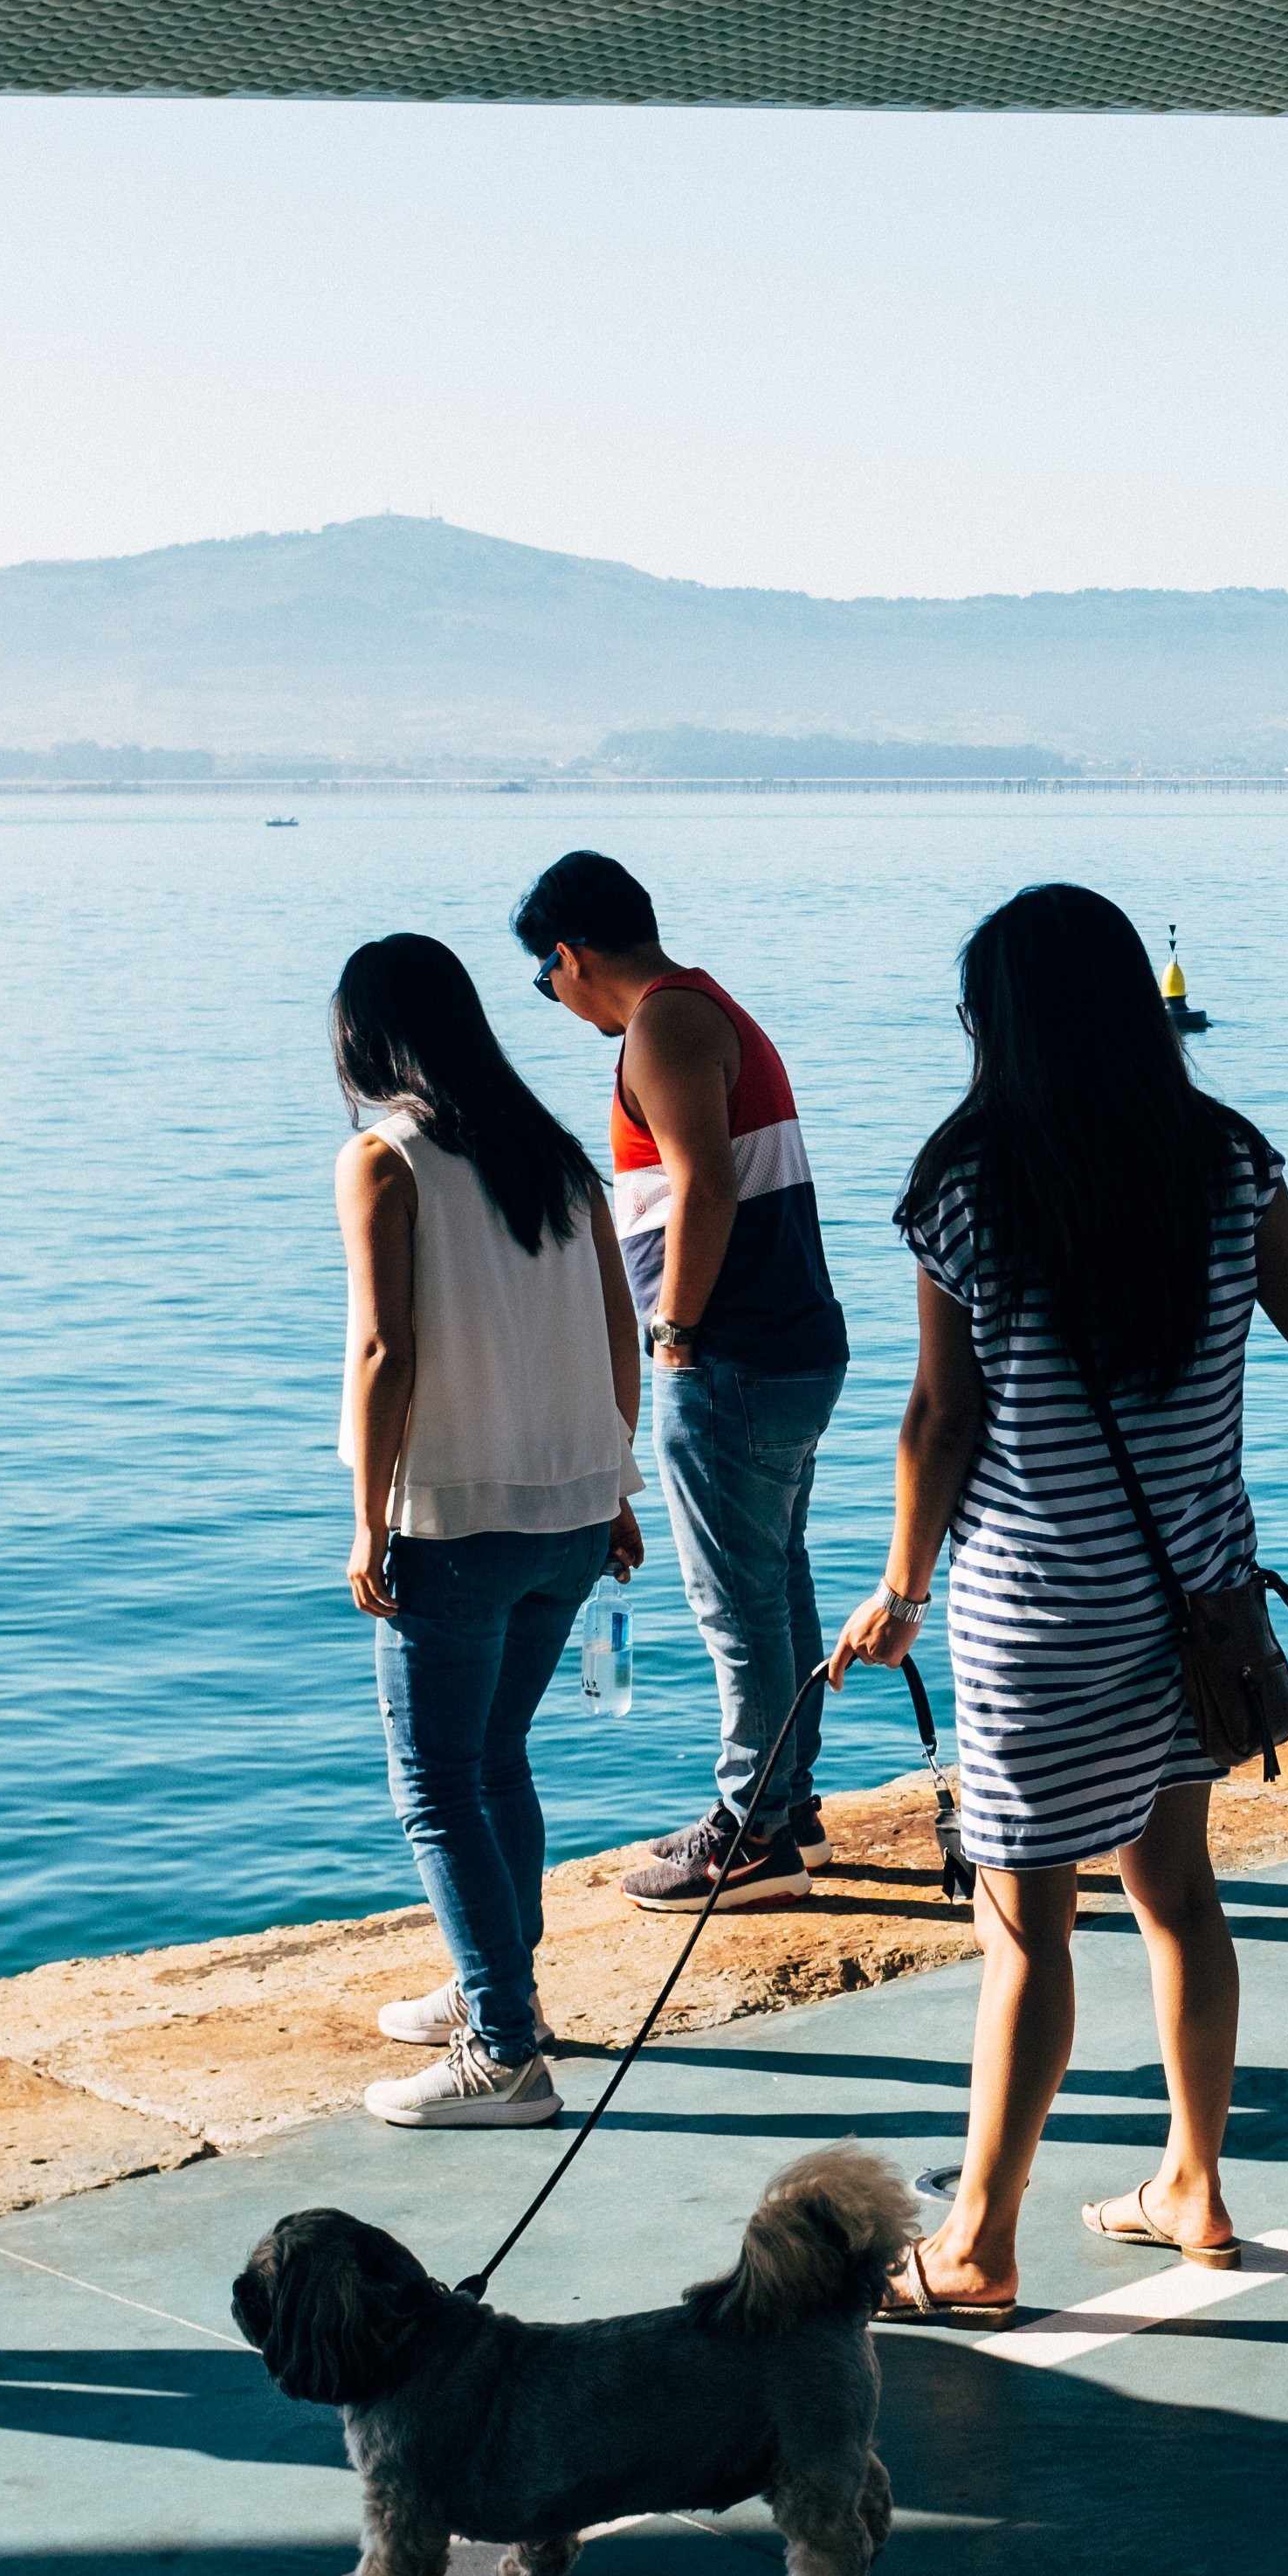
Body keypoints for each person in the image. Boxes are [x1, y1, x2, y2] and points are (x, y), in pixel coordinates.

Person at [828, 882, 1288, 2324]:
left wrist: (900, 1588)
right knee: (1180, 1899)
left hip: (1031, 1608)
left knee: (1026, 1933)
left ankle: (978, 2243)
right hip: (1191, 1604)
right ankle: (1193, 2185)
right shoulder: (1225, 1159)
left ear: (1000, 1023)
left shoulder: (963, 1178)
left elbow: (936, 1425)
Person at [333, 934, 645, 2128]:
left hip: (453, 1523)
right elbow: (619, 1332)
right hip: (571, 1510)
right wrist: (612, 1483)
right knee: (497, 1760)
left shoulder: (386, 1160)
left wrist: (369, 1520)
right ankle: (494, 1988)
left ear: (366, 1036)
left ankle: (504, 2052)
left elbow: (383, 1351)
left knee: (438, 1785)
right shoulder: (554, 1157)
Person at [512, 851, 848, 1910]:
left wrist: (673, 1334)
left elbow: (700, 1186)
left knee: (735, 1600)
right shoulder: (711, 1008)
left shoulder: (661, 1025)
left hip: (732, 1352)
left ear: (568, 956)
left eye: (544, 977)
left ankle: (748, 1834)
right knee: (776, 1577)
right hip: (792, 1341)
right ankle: (785, 1806)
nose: (554, 999)